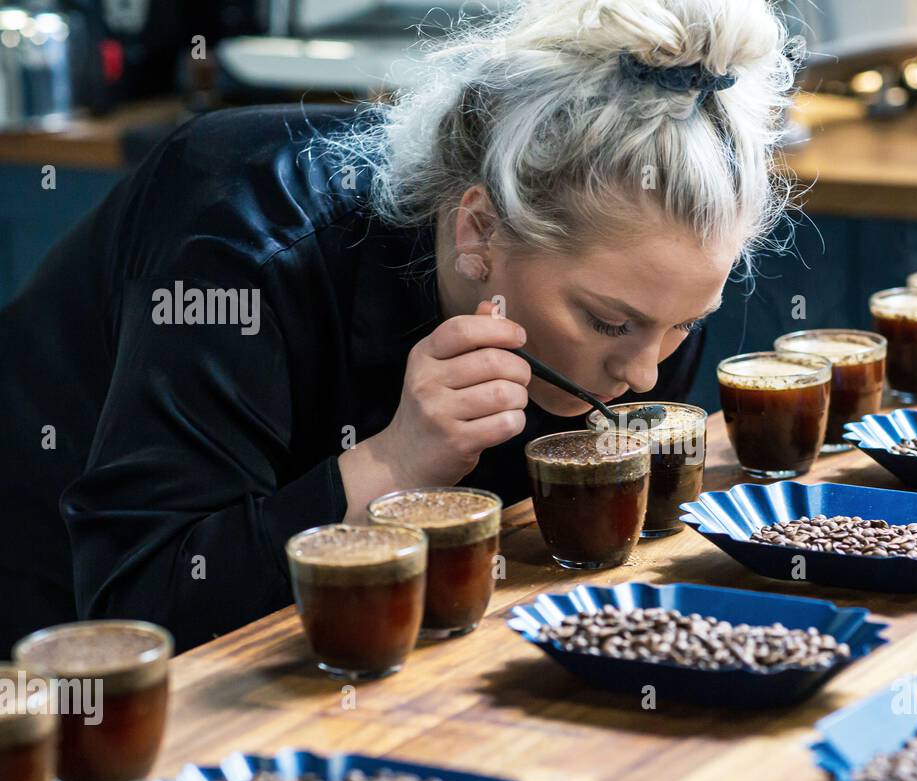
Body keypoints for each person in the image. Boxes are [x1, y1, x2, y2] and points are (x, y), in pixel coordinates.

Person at [0, 0, 797, 652]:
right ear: (478, 231)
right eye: (609, 321)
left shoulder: (637, 319)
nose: (648, 373)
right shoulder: (239, 248)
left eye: (683, 325)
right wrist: (393, 464)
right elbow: (144, 602)